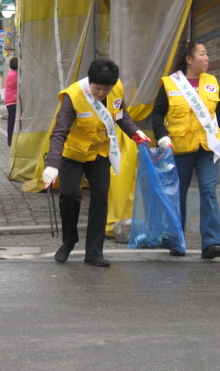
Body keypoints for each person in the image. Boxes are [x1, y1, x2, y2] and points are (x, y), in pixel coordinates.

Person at [42, 59, 151, 267]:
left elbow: (121, 115)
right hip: (72, 155)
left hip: (100, 153)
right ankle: (68, 242)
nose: (101, 94)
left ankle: (93, 252)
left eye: (105, 90)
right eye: (97, 89)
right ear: (89, 81)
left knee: (100, 198)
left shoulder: (116, 89)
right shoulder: (73, 96)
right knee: (70, 195)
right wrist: (53, 164)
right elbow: (59, 131)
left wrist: (135, 132)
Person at [151, 38, 220, 259]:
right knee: (177, 194)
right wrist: (161, 135)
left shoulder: (212, 81)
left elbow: (218, 114)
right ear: (188, 59)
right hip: (180, 147)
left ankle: (212, 242)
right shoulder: (169, 83)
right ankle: (176, 240)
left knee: (208, 190)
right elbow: (156, 113)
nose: (207, 58)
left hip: (207, 147)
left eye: (206, 54)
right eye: (202, 54)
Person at [5, 57, 19, 146]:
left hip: (9, 100)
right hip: (13, 100)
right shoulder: (14, 75)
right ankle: (11, 140)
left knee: (11, 121)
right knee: (12, 121)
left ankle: (10, 139)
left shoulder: (10, 73)